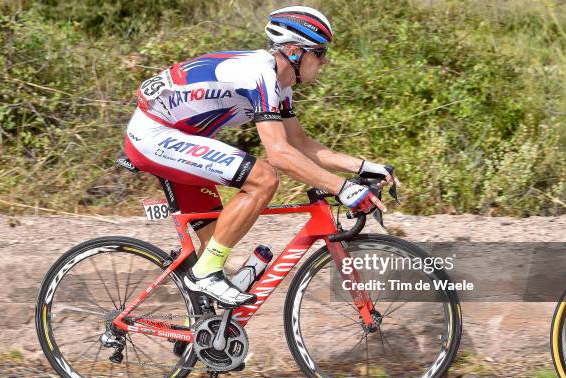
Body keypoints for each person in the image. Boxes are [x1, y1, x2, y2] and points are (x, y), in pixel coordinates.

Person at [125, 6, 400, 308]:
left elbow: (299, 143)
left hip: (182, 138)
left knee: (214, 244)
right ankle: (204, 276)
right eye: (319, 53)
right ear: (295, 52)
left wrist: (364, 167)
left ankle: (201, 331)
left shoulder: (280, 85)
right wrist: (344, 188)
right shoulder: (260, 74)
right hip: (154, 135)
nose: (325, 60)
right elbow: (280, 154)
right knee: (264, 178)